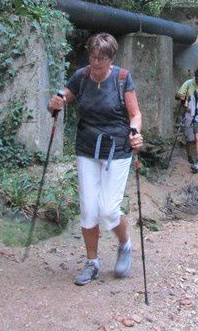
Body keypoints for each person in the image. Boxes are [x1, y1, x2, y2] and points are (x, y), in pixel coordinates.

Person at [47, 32, 144, 286]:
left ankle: (125, 245)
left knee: (109, 209)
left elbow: (135, 115)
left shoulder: (122, 79)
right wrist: (55, 103)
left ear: (111, 58)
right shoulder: (81, 77)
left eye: (101, 58)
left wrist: (135, 132)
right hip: (87, 149)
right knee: (89, 209)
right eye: (92, 56)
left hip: (117, 150)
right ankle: (92, 262)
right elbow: (58, 102)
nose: (96, 62)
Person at [175, 68, 198, 163]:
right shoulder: (188, 84)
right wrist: (181, 97)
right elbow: (178, 95)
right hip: (189, 113)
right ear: (195, 77)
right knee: (190, 138)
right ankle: (190, 156)